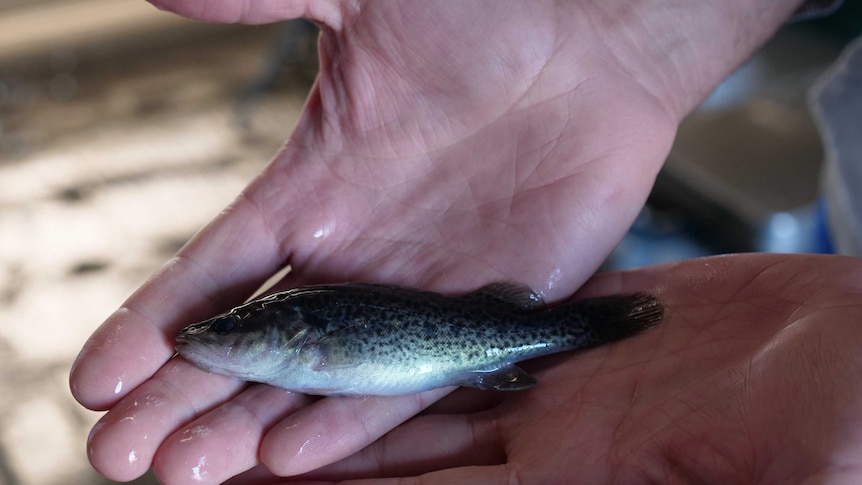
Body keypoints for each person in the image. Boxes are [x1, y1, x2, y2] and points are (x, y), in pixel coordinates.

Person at [69, 1, 862, 483]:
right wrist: (630, 25)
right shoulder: (300, 330)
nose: (205, 337)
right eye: (217, 332)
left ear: (281, 334)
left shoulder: (305, 330)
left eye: (224, 328)